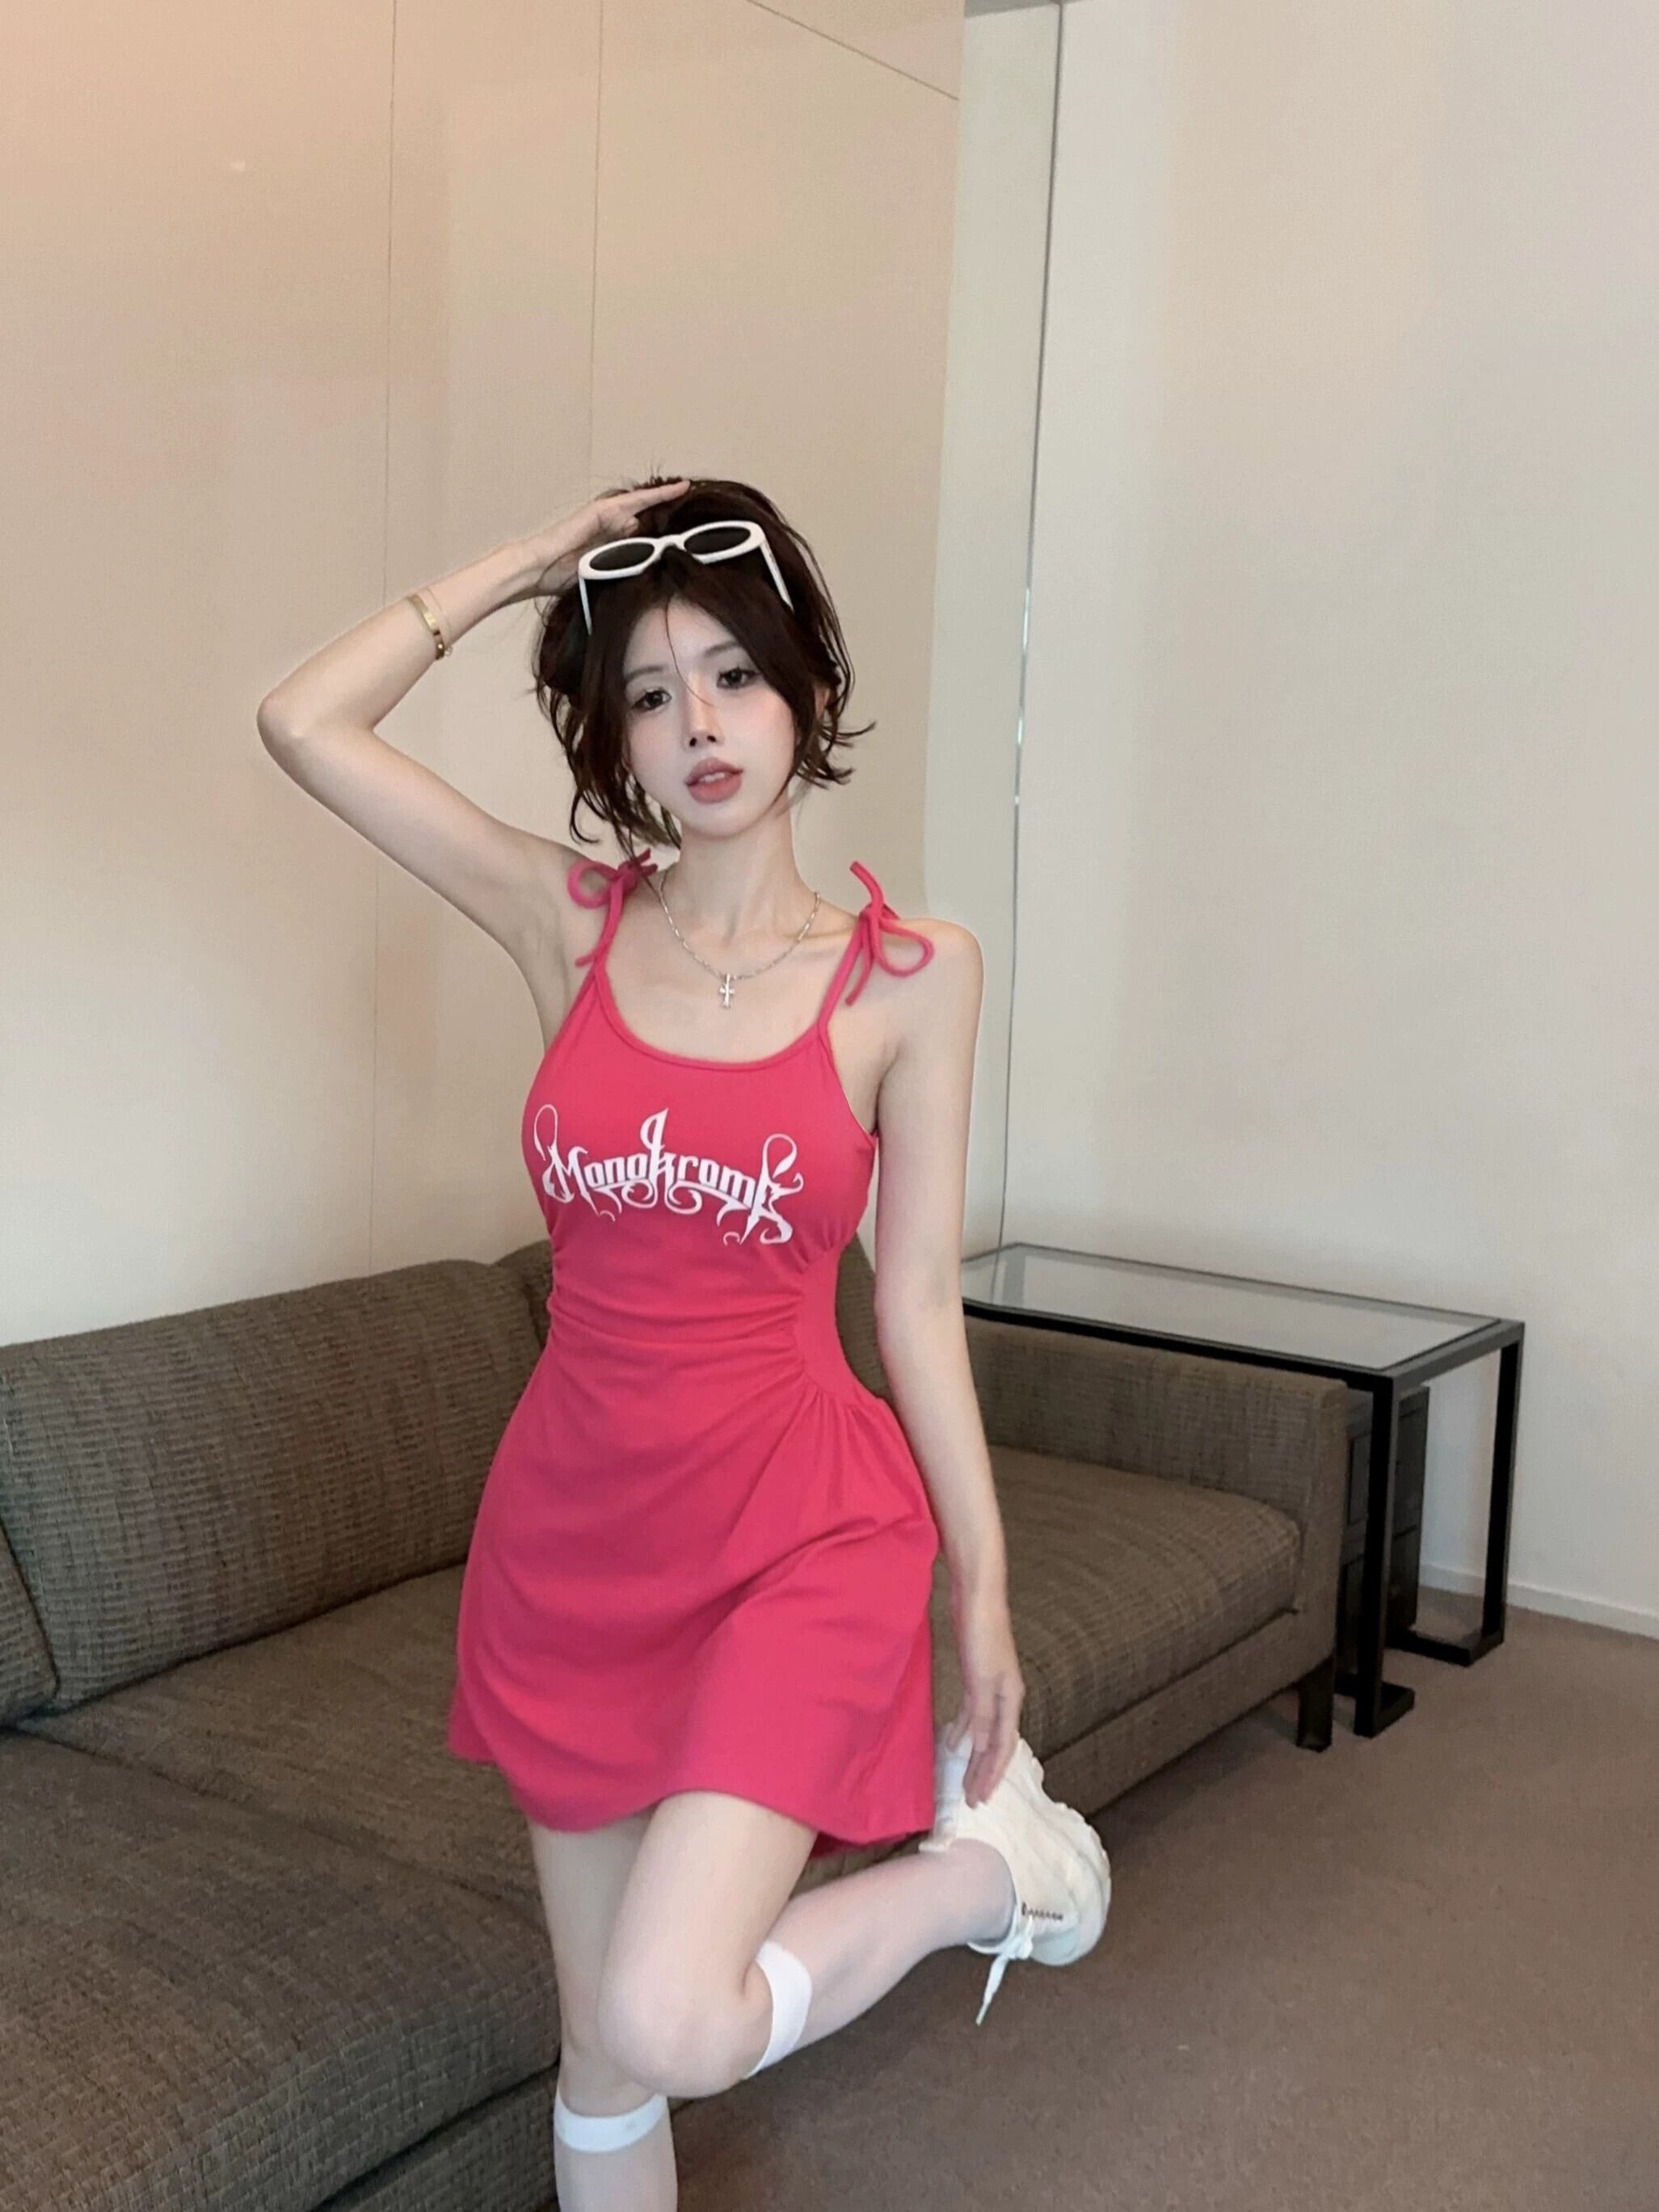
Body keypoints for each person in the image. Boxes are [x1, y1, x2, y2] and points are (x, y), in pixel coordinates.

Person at [256, 473, 1110, 2210]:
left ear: (807, 692)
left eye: (733, 675)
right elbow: (302, 722)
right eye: (649, 693)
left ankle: (990, 1878)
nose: (700, 726)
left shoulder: (908, 975)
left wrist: (981, 1585)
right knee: (603, 2053)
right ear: (613, 735)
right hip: (571, 1547)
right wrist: (533, 561)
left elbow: (912, 1301)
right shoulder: (569, 924)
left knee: (670, 2010)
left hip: (799, 1530)